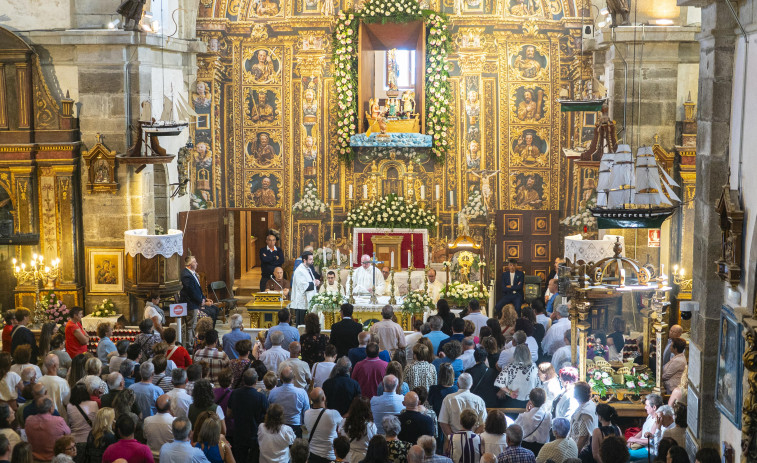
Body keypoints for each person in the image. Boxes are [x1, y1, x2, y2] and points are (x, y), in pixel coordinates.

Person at [228, 369, 268, 463]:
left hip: (238, 433)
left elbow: (229, 414)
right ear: (256, 381)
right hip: (254, 434)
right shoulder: (261, 397)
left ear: (243, 380)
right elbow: (267, 416)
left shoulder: (234, 393)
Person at [180, 255, 219, 345]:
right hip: (190, 304)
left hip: (195, 302)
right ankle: (189, 344)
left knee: (194, 324)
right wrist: (202, 301)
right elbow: (191, 291)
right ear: (190, 264)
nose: (197, 263)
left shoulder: (192, 273)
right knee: (191, 325)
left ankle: (194, 342)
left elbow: (198, 289)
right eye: (194, 262)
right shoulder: (186, 275)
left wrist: (204, 298)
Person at [302, 388, 342, 463]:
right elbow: (343, 426)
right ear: (324, 398)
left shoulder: (306, 413)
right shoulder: (333, 414)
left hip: (312, 454)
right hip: (329, 456)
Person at [268, 366, 309, 437]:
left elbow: (269, 408)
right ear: (294, 377)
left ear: (280, 377)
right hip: (295, 425)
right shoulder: (301, 392)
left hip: (278, 426)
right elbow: (306, 411)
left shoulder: (273, 392)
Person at [339, 397, 376, 463]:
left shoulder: (344, 422)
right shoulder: (371, 426)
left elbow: (340, 437)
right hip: (364, 458)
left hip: (347, 457)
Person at [515, 388, 552, 454]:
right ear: (544, 401)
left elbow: (514, 428)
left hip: (526, 447)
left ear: (530, 400)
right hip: (543, 448)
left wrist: (526, 412)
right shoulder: (548, 415)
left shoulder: (523, 416)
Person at [627, 393, 663, 460]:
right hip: (641, 445)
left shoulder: (657, 421)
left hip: (649, 449)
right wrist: (632, 439)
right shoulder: (650, 415)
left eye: (647, 405)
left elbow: (651, 441)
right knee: (622, 450)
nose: (645, 407)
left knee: (625, 456)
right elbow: (643, 430)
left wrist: (635, 440)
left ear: (654, 407)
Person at [66, 383, 98, 456]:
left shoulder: (69, 406)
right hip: (90, 440)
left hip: (75, 441)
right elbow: (96, 422)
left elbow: (68, 423)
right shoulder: (94, 404)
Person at [37, 353, 70, 418]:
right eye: (58, 363)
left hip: (43, 416)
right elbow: (66, 402)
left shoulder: (39, 381)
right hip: (59, 416)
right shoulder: (63, 382)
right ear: (55, 365)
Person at [291, 251, 320, 321]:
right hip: (301, 303)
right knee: (301, 325)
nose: (312, 261)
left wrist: (315, 281)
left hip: (308, 301)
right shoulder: (299, 271)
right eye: (310, 259)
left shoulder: (308, 269)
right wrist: (314, 283)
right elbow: (303, 286)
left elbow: (309, 281)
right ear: (304, 260)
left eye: (312, 259)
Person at [569, 382, 598, 453]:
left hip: (583, 451)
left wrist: (576, 453)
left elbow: (583, 437)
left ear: (577, 395)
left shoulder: (585, 413)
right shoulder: (589, 404)